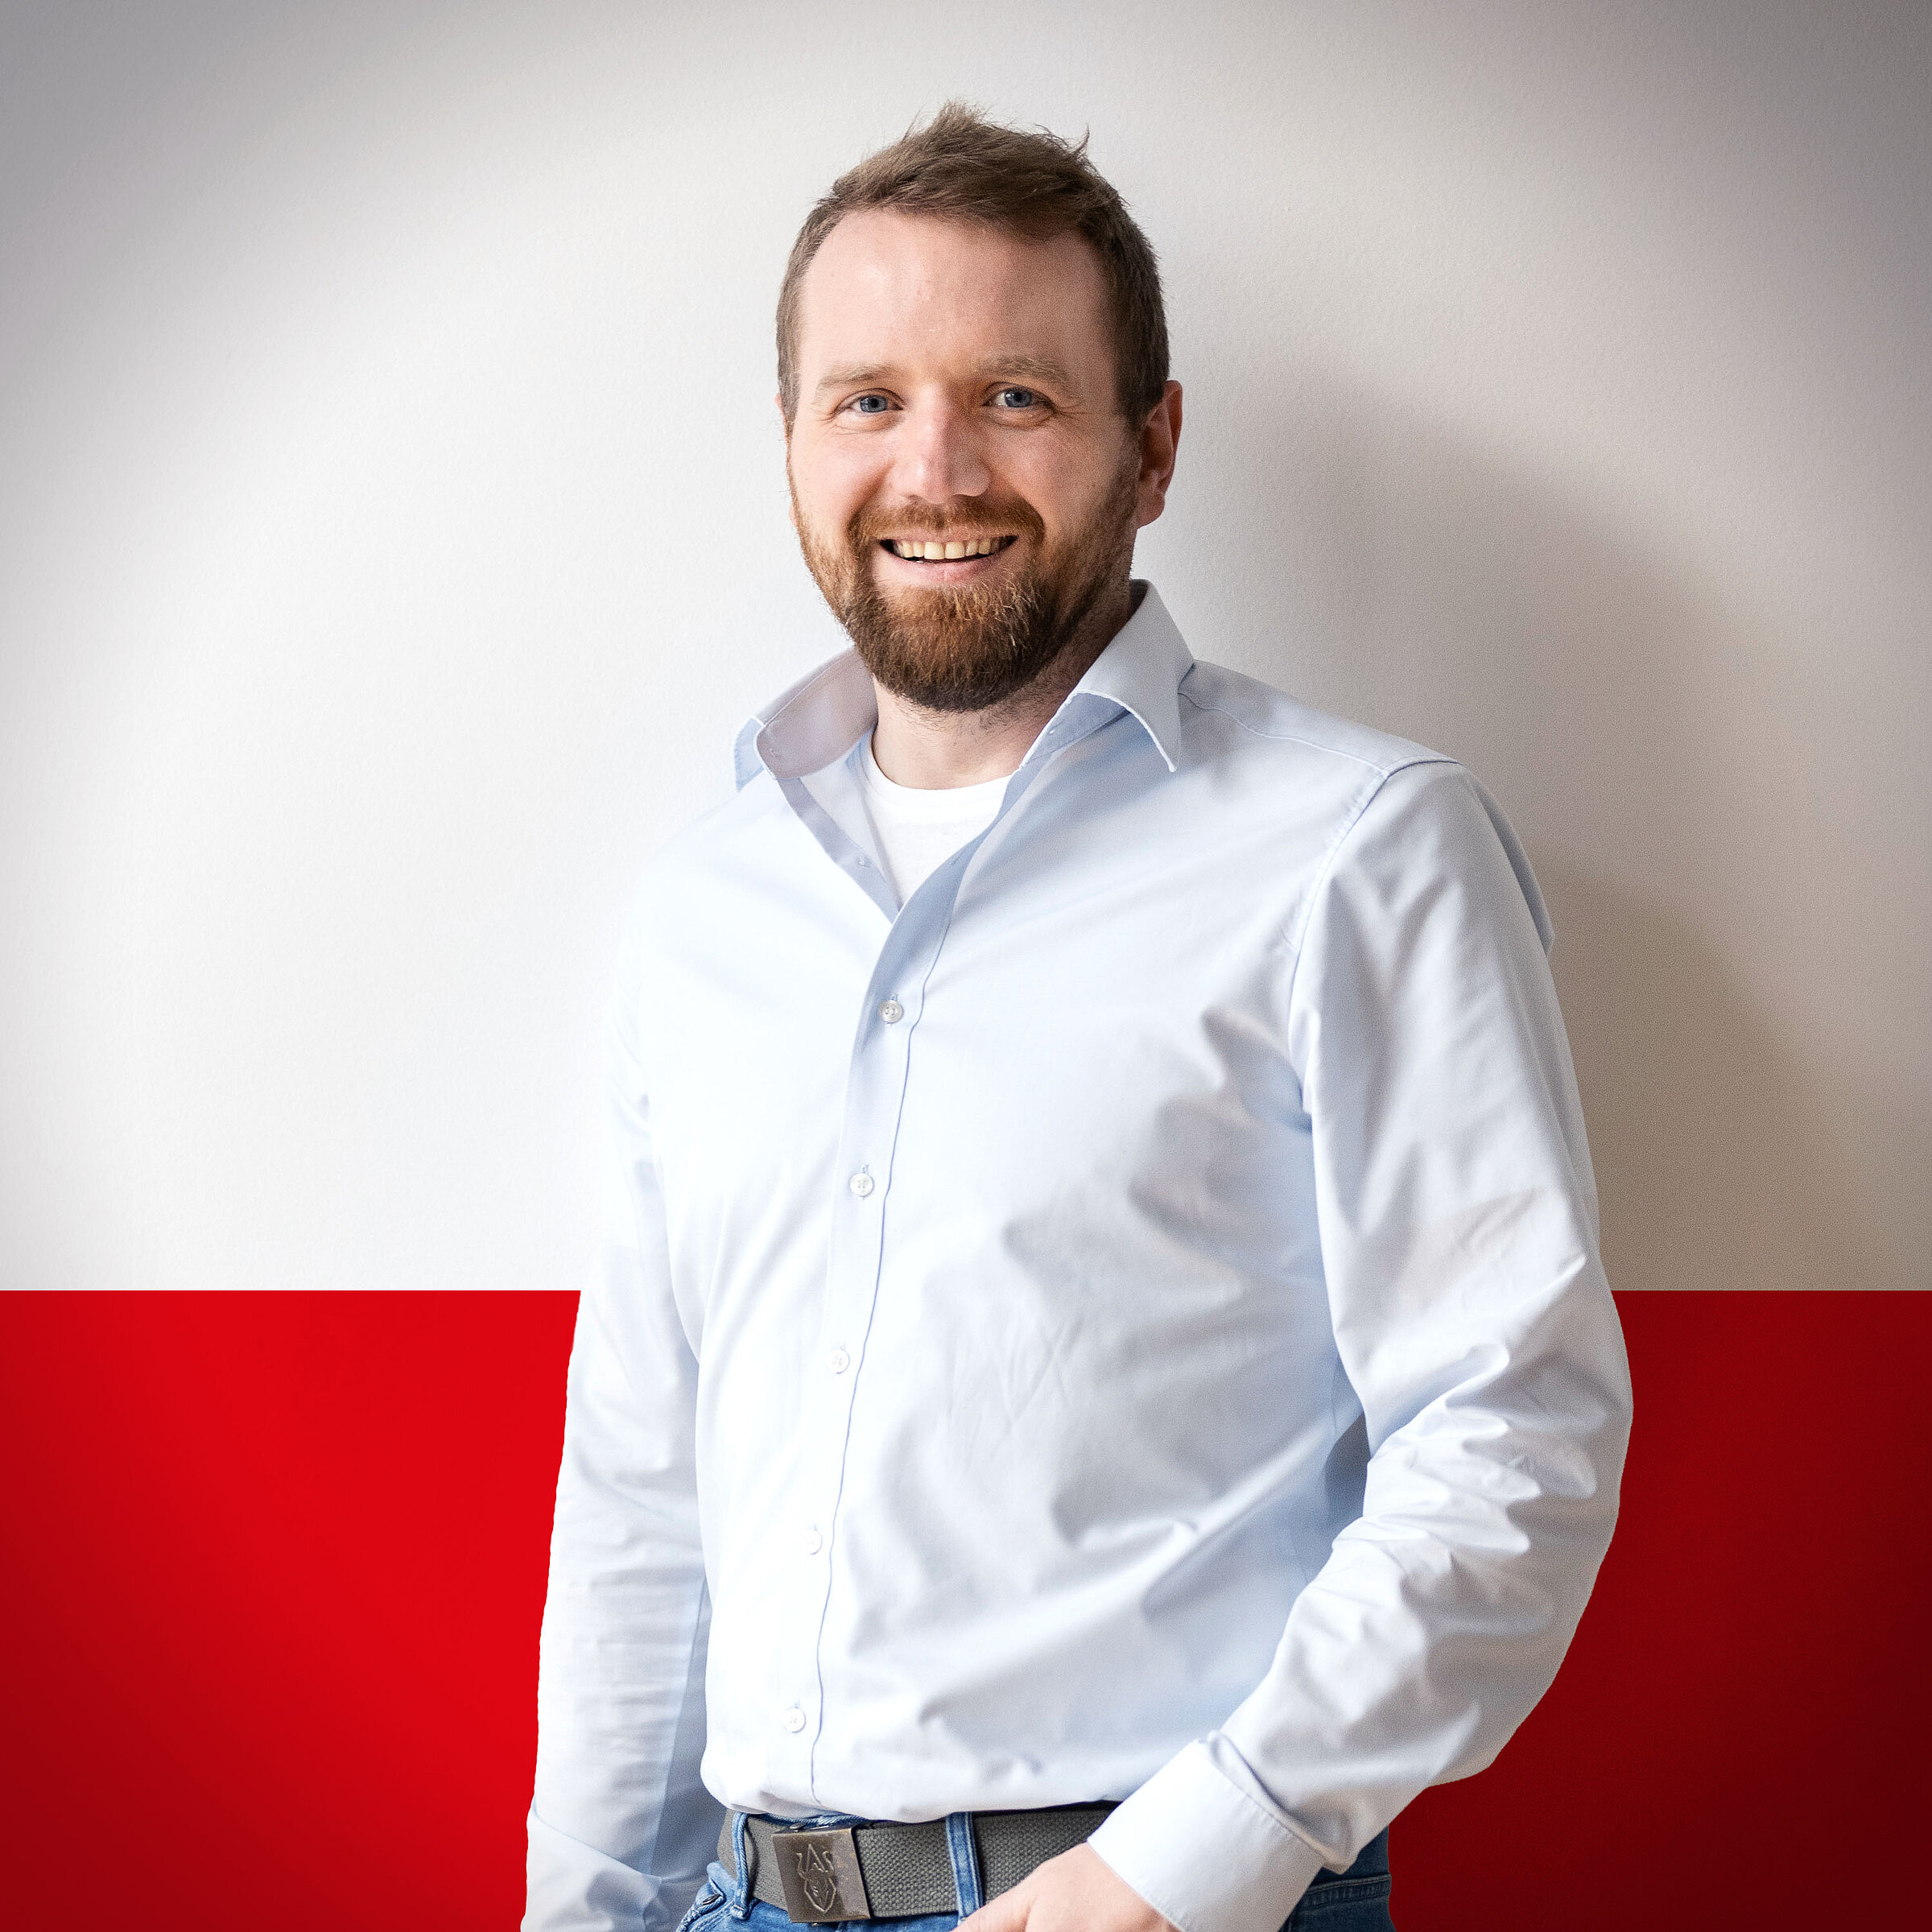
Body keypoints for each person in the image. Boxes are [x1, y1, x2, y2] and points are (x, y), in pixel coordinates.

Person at [524, 104, 1631, 1932]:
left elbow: (1513, 1431)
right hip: (727, 1901)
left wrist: (1179, 1868)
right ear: (795, 444)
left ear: (1156, 442)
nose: (934, 467)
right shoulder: (706, 905)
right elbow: (645, 1492)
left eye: (1017, 398)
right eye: (866, 399)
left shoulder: (1357, 850)